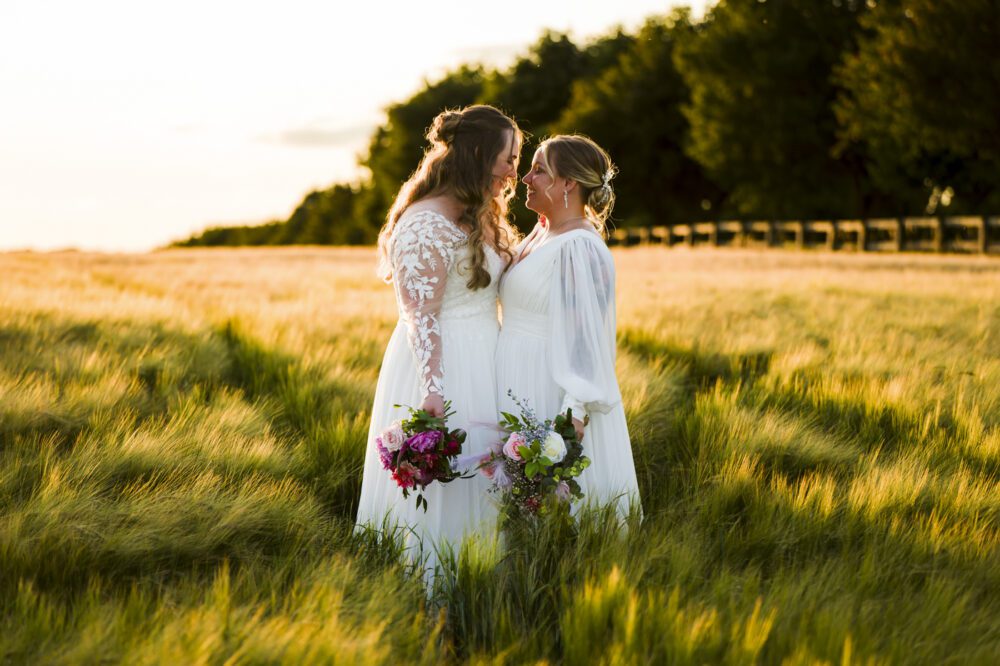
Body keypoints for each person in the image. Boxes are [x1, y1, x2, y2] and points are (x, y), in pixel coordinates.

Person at [356, 105, 522, 576]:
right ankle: (430, 588)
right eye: (507, 157)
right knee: (450, 482)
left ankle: (484, 579)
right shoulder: (424, 221)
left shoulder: (482, 214)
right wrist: (433, 389)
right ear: (476, 154)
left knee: (486, 481)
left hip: (487, 359)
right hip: (442, 366)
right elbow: (419, 314)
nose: (514, 170)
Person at [495, 134, 641, 518]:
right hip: (516, 381)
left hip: (547, 387)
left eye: (539, 170)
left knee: (552, 512)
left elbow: (585, 341)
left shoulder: (580, 247)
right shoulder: (543, 233)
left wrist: (570, 419)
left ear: (568, 184)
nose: (526, 178)